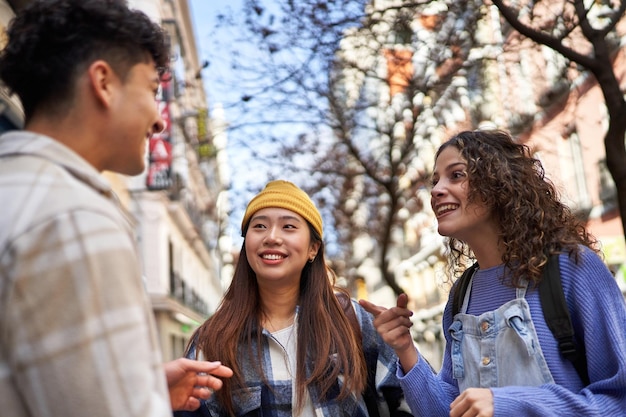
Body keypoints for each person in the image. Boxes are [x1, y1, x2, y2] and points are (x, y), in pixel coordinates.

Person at [0, 1, 231, 416]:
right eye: (151, 91)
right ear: (103, 82)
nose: (159, 121)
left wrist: (142, 383)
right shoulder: (76, 218)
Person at [360, 130, 626, 416]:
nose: (436, 190)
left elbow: (618, 400)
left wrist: (508, 404)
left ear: (499, 183)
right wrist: (405, 350)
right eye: (435, 181)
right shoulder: (461, 296)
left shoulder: (571, 267)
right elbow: (448, 411)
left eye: (456, 175)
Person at [175, 180, 412, 417]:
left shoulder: (353, 322)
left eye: (288, 227)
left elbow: (410, 405)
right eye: (259, 226)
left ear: (313, 248)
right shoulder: (213, 341)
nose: (271, 237)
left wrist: (405, 348)